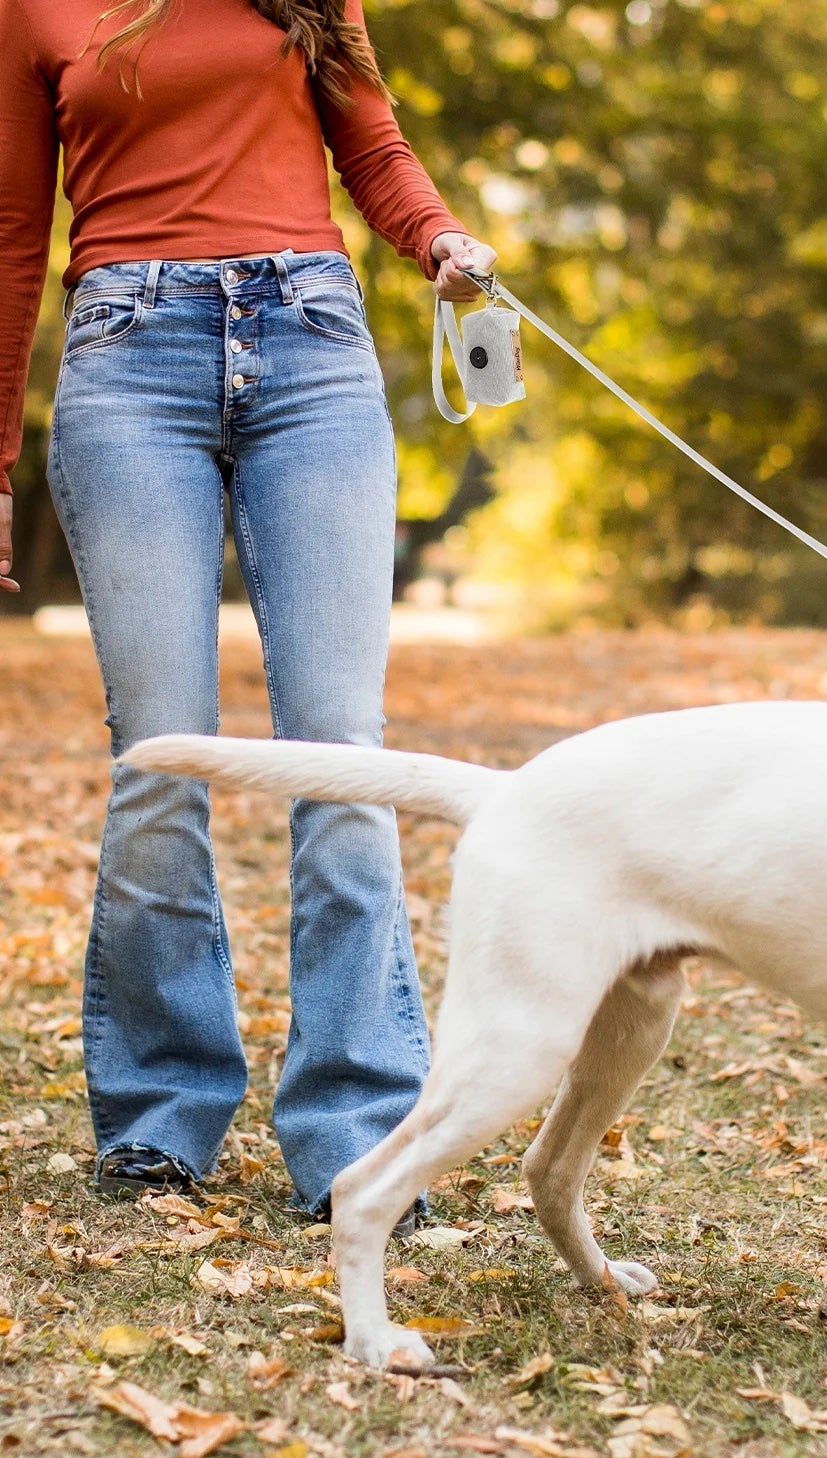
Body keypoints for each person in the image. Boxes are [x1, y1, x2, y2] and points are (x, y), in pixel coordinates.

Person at [0, 0, 496, 1216]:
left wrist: (437, 238)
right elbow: (15, 232)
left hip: (311, 345)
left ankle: (360, 1127)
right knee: (159, 755)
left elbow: (371, 147)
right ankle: (163, 1114)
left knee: (342, 752)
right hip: (128, 356)